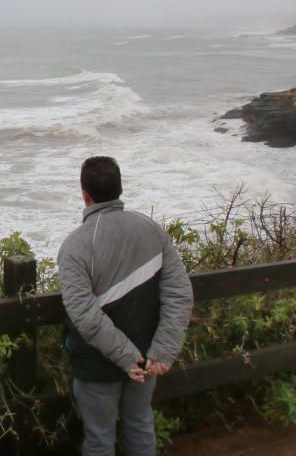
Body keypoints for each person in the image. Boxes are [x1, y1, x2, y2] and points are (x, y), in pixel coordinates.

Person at [58, 157, 193, 456]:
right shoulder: (151, 229)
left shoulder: (75, 246)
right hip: (147, 358)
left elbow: (85, 315)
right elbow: (180, 292)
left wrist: (127, 358)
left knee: (99, 441)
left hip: (99, 365)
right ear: (120, 188)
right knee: (140, 427)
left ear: (85, 193)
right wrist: (160, 352)